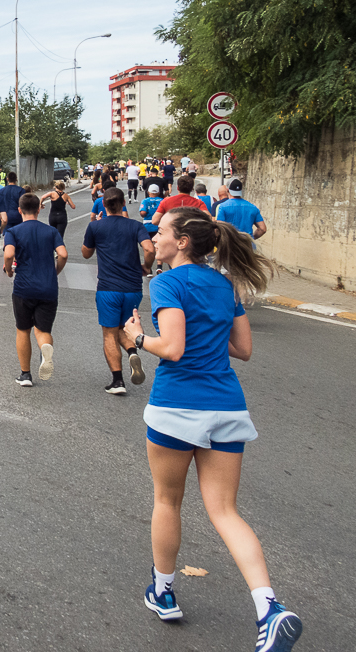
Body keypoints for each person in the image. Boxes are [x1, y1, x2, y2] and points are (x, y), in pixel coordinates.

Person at [122, 209, 302, 652]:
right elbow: (243, 349)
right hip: (227, 406)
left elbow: (175, 349)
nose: (154, 237)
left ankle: (162, 592)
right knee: (225, 511)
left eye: (161, 231)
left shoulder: (166, 281)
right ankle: (269, 609)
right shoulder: (225, 285)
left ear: (182, 242)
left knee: (168, 500)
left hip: (178, 406)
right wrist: (206, 329)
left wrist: (137, 339)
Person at [82, 188, 155, 394]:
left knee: (109, 334)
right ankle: (132, 352)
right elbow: (149, 249)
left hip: (108, 289)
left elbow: (86, 253)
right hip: (133, 288)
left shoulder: (95, 227)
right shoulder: (135, 226)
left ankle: (117, 382)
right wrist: (146, 266)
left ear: (103, 205)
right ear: (124, 203)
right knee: (125, 327)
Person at [2, 193, 68, 386]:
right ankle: (45, 348)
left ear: (19, 210)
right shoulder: (51, 232)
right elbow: (63, 254)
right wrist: (55, 271)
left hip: (24, 287)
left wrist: (8, 270)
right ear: (39, 209)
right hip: (48, 287)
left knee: (23, 330)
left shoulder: (13, 232)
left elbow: (9, 254)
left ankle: (25, 375)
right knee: (42, 330)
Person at [139, 185, 162, 272]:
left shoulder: (145, 201)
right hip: (159, 226)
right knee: (159, 246)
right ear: (158, 192)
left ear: (148, 192)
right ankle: (159, 267)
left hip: (147, 226)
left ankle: (149, 268)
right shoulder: (162, 201)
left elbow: (143, 213)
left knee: (148, 248)